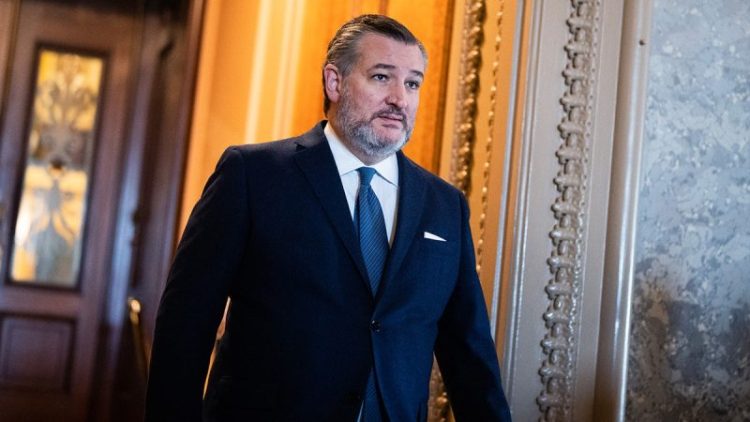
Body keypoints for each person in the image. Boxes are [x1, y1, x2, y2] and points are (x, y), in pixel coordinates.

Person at [145, 14, 512, 422]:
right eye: (381, 77)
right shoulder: (253, 176)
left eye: (412, 84)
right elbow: (186, 322)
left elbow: (469, 353)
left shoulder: (445, 205)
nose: (400, 99)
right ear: (334, 82)